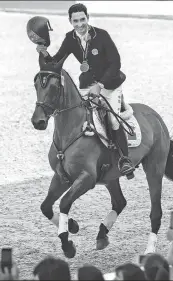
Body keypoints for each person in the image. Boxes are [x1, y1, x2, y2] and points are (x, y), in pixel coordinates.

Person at [34, 3, 136, 178]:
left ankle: (124, 159)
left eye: (82, 19)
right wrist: (43, 53)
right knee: (80, 115)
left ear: (87, 18)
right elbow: (56, 62)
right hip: (87, 85)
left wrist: (101, 85)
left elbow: (115, 63)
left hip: (110, 84)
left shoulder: (102, 36)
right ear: (70, 21)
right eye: (76, 21)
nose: (80, 24)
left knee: (112, 119)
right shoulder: (70, 38)